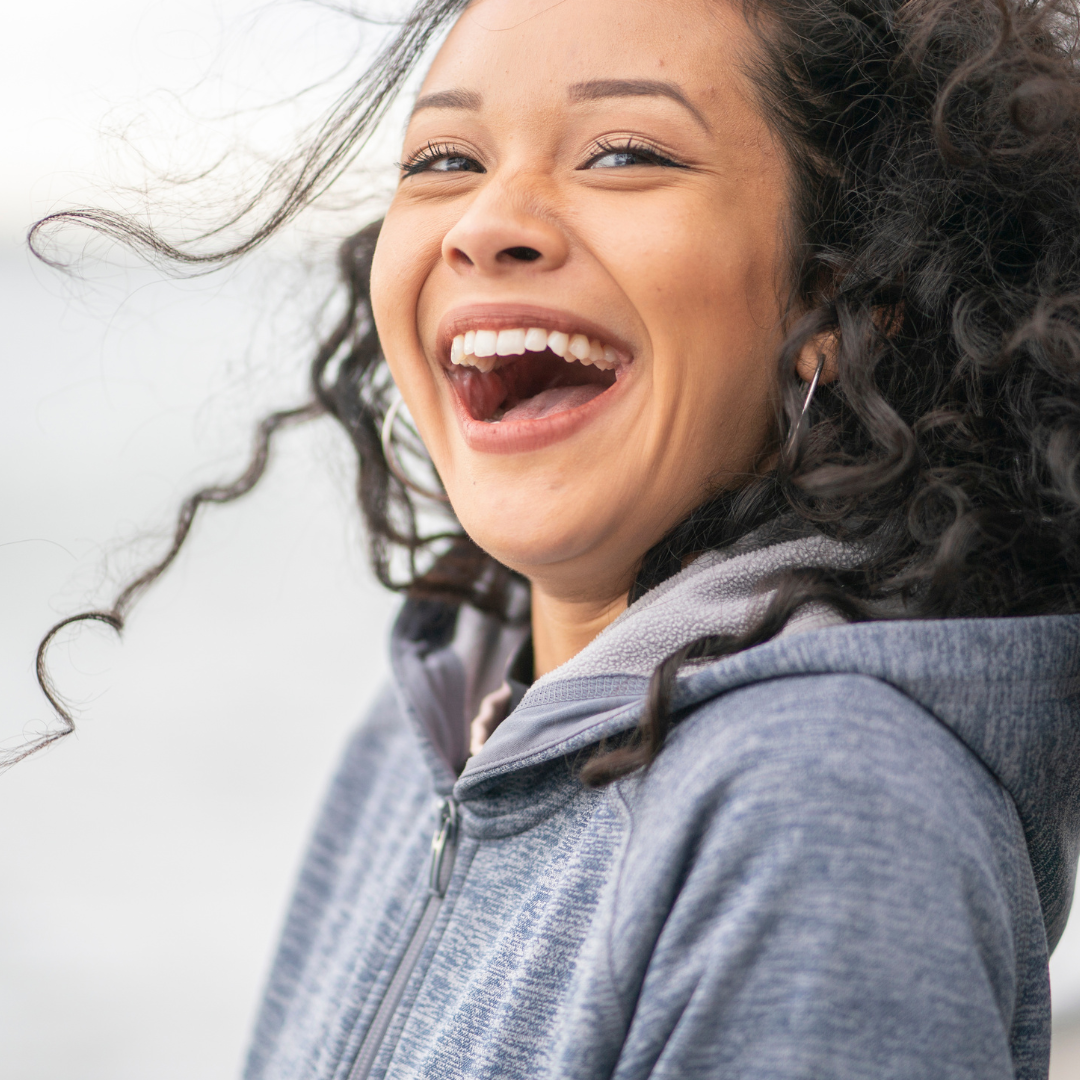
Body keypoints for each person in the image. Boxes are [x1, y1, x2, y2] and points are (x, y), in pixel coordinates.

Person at [26, 0, 1080, 1076]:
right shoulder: (429, 725)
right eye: (443, 158)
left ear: (839, 294)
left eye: (624, 153)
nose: (486, 222)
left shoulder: (826, 810)